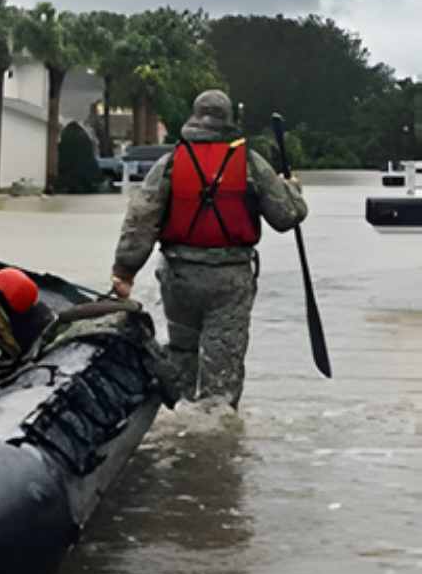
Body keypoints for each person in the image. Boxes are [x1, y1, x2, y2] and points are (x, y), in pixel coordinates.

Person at [110, 89, 308, 408]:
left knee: (181, 354)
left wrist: (124, 272)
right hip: (230, 282)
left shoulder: (171, 162)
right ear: (229, 120)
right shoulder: (250, 164)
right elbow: (286, 216)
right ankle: (217, 439)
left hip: (178, 277)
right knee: (223, 367)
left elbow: (140, 220)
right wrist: (292, 190)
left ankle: (179, 421)